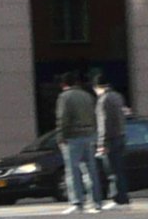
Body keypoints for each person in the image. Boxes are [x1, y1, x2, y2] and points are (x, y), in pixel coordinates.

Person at [53, 70, 101, 211]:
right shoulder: (88, 96)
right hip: (90, 135)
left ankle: (77, 202)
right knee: (91, 170)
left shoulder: (64, 97)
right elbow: (95, 116)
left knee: (73, 171)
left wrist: (61, 137)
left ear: (63, 84)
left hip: (73, 137)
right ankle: (96, 202)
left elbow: (63, 119)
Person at [95, 73, 132, 210]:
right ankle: (124, 198)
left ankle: (118, 199)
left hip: (110, 139)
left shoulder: (103, 100)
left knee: (112, 171)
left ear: (98, 87)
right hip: (121, 136)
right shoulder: (118, 97)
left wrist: (101, 144)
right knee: (119, 169)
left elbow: (103, 123)